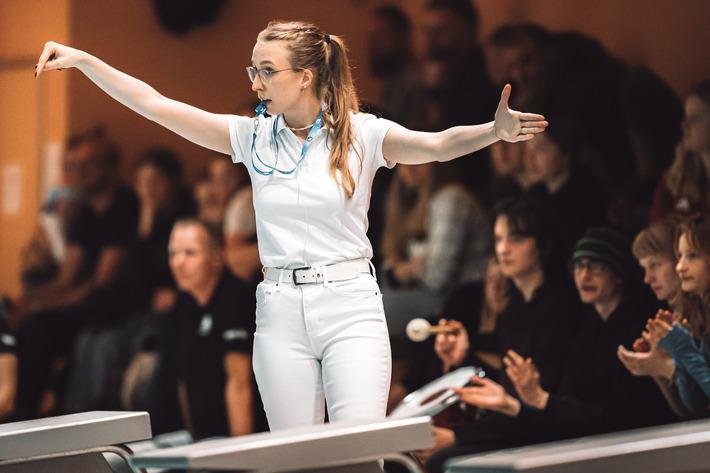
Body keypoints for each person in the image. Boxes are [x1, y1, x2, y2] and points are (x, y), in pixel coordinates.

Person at [35, 21, 547, 431]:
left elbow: (436, 145)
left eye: (266, 70)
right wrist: (84, 61)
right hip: (279, 310)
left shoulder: (362, 134)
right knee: (297, 458)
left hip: (350, 305)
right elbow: (155, 105)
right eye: (252, 69)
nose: (254, 82)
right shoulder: (251, 137)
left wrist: (493, 131)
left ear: (304, 76)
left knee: (357, 454)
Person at [424, 228, 674, 472]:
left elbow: (609, 416)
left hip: (616, 445)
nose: (584, 275)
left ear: (618, 273)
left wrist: (536, 401)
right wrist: (468, 361)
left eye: (596, 266)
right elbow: (552, 403)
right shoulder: (588, 325)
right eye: (579, 266)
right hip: (569, 432)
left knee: (445, 463)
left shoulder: (628, 325)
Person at [154, 219, 257, 439]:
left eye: (190, 253)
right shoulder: (183, 304)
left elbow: (240, 383)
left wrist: (242, 450)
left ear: (217, 257)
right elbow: (181, 380)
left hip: (235, 438)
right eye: (173, 254)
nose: (178, 262)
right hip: (197, 438)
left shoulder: (235, 298)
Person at [650, 216, 710, 417]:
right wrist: (677, 352)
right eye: (679, 256)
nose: (680, 267)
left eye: (692, 256)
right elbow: (696, 407)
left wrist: (683, 349)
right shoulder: (701, 314)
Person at [650, 80, 710, 221]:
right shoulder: (675, 180)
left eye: (694, 118)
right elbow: (656, 226)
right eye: (685, 118)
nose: (684, 125)